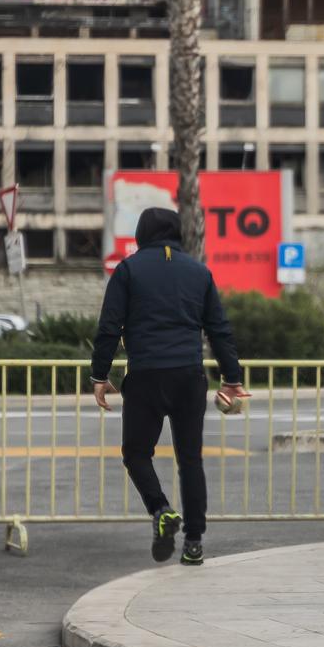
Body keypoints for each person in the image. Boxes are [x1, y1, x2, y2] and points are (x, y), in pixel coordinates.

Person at [90, 206, 249, 567]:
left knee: (136, 454)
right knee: (190, 459)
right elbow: (219, 329)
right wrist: (232, 378)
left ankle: (160, 509)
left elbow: (109, 327)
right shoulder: (199, 272)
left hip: (146, 376)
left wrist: (100, 376)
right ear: (177, 234)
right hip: (189, 377)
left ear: (143, 233)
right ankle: (194, 542)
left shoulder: (128, 270)